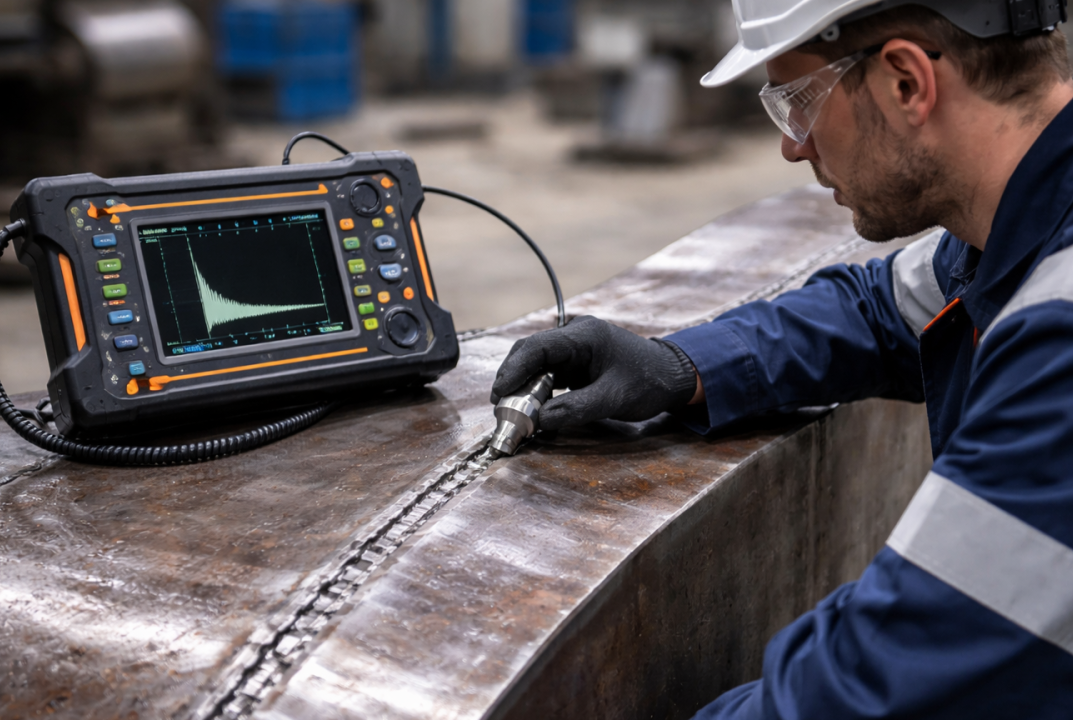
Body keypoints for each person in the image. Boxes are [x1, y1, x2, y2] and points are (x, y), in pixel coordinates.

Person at [489, 1, 1073, 717]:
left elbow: (868, 690)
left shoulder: (1060, 346)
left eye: (799, 100)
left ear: (905, 83)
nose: (793, 146)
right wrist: (682, 366)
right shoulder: (1009, 237)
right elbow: (875, 310)